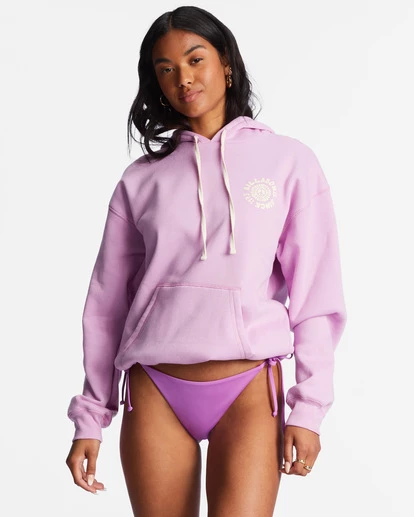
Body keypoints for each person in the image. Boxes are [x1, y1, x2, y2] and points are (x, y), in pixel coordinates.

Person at [65, 5, 347, 516]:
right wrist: (91, 416)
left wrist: (309, 409)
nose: (184, 78)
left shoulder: (289, 162)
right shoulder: (140, 180)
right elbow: (106, 305)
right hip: (155, 388)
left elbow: (316, 297)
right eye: (166, 69)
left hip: (248, 389)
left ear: (226, 65)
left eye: (195, 60)